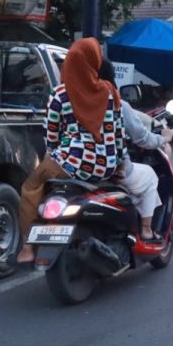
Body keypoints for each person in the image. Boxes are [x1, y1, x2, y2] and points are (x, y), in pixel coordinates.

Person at [15, 37, 125, 264]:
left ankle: (27, 247)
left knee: (31, 186)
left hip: (71, 165)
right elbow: (118, 135)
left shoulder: (60, 94)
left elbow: (52, 137)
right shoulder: (110, 92)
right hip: (106, 165)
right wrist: (118, 162)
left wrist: (53, 156)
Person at [100, 58, 172, 242]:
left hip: (68, 168)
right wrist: (164, 139)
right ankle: (146, 230)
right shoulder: (115, 103)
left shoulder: (65, 99)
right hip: (109, 169)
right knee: (149, 176)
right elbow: (141, 138)